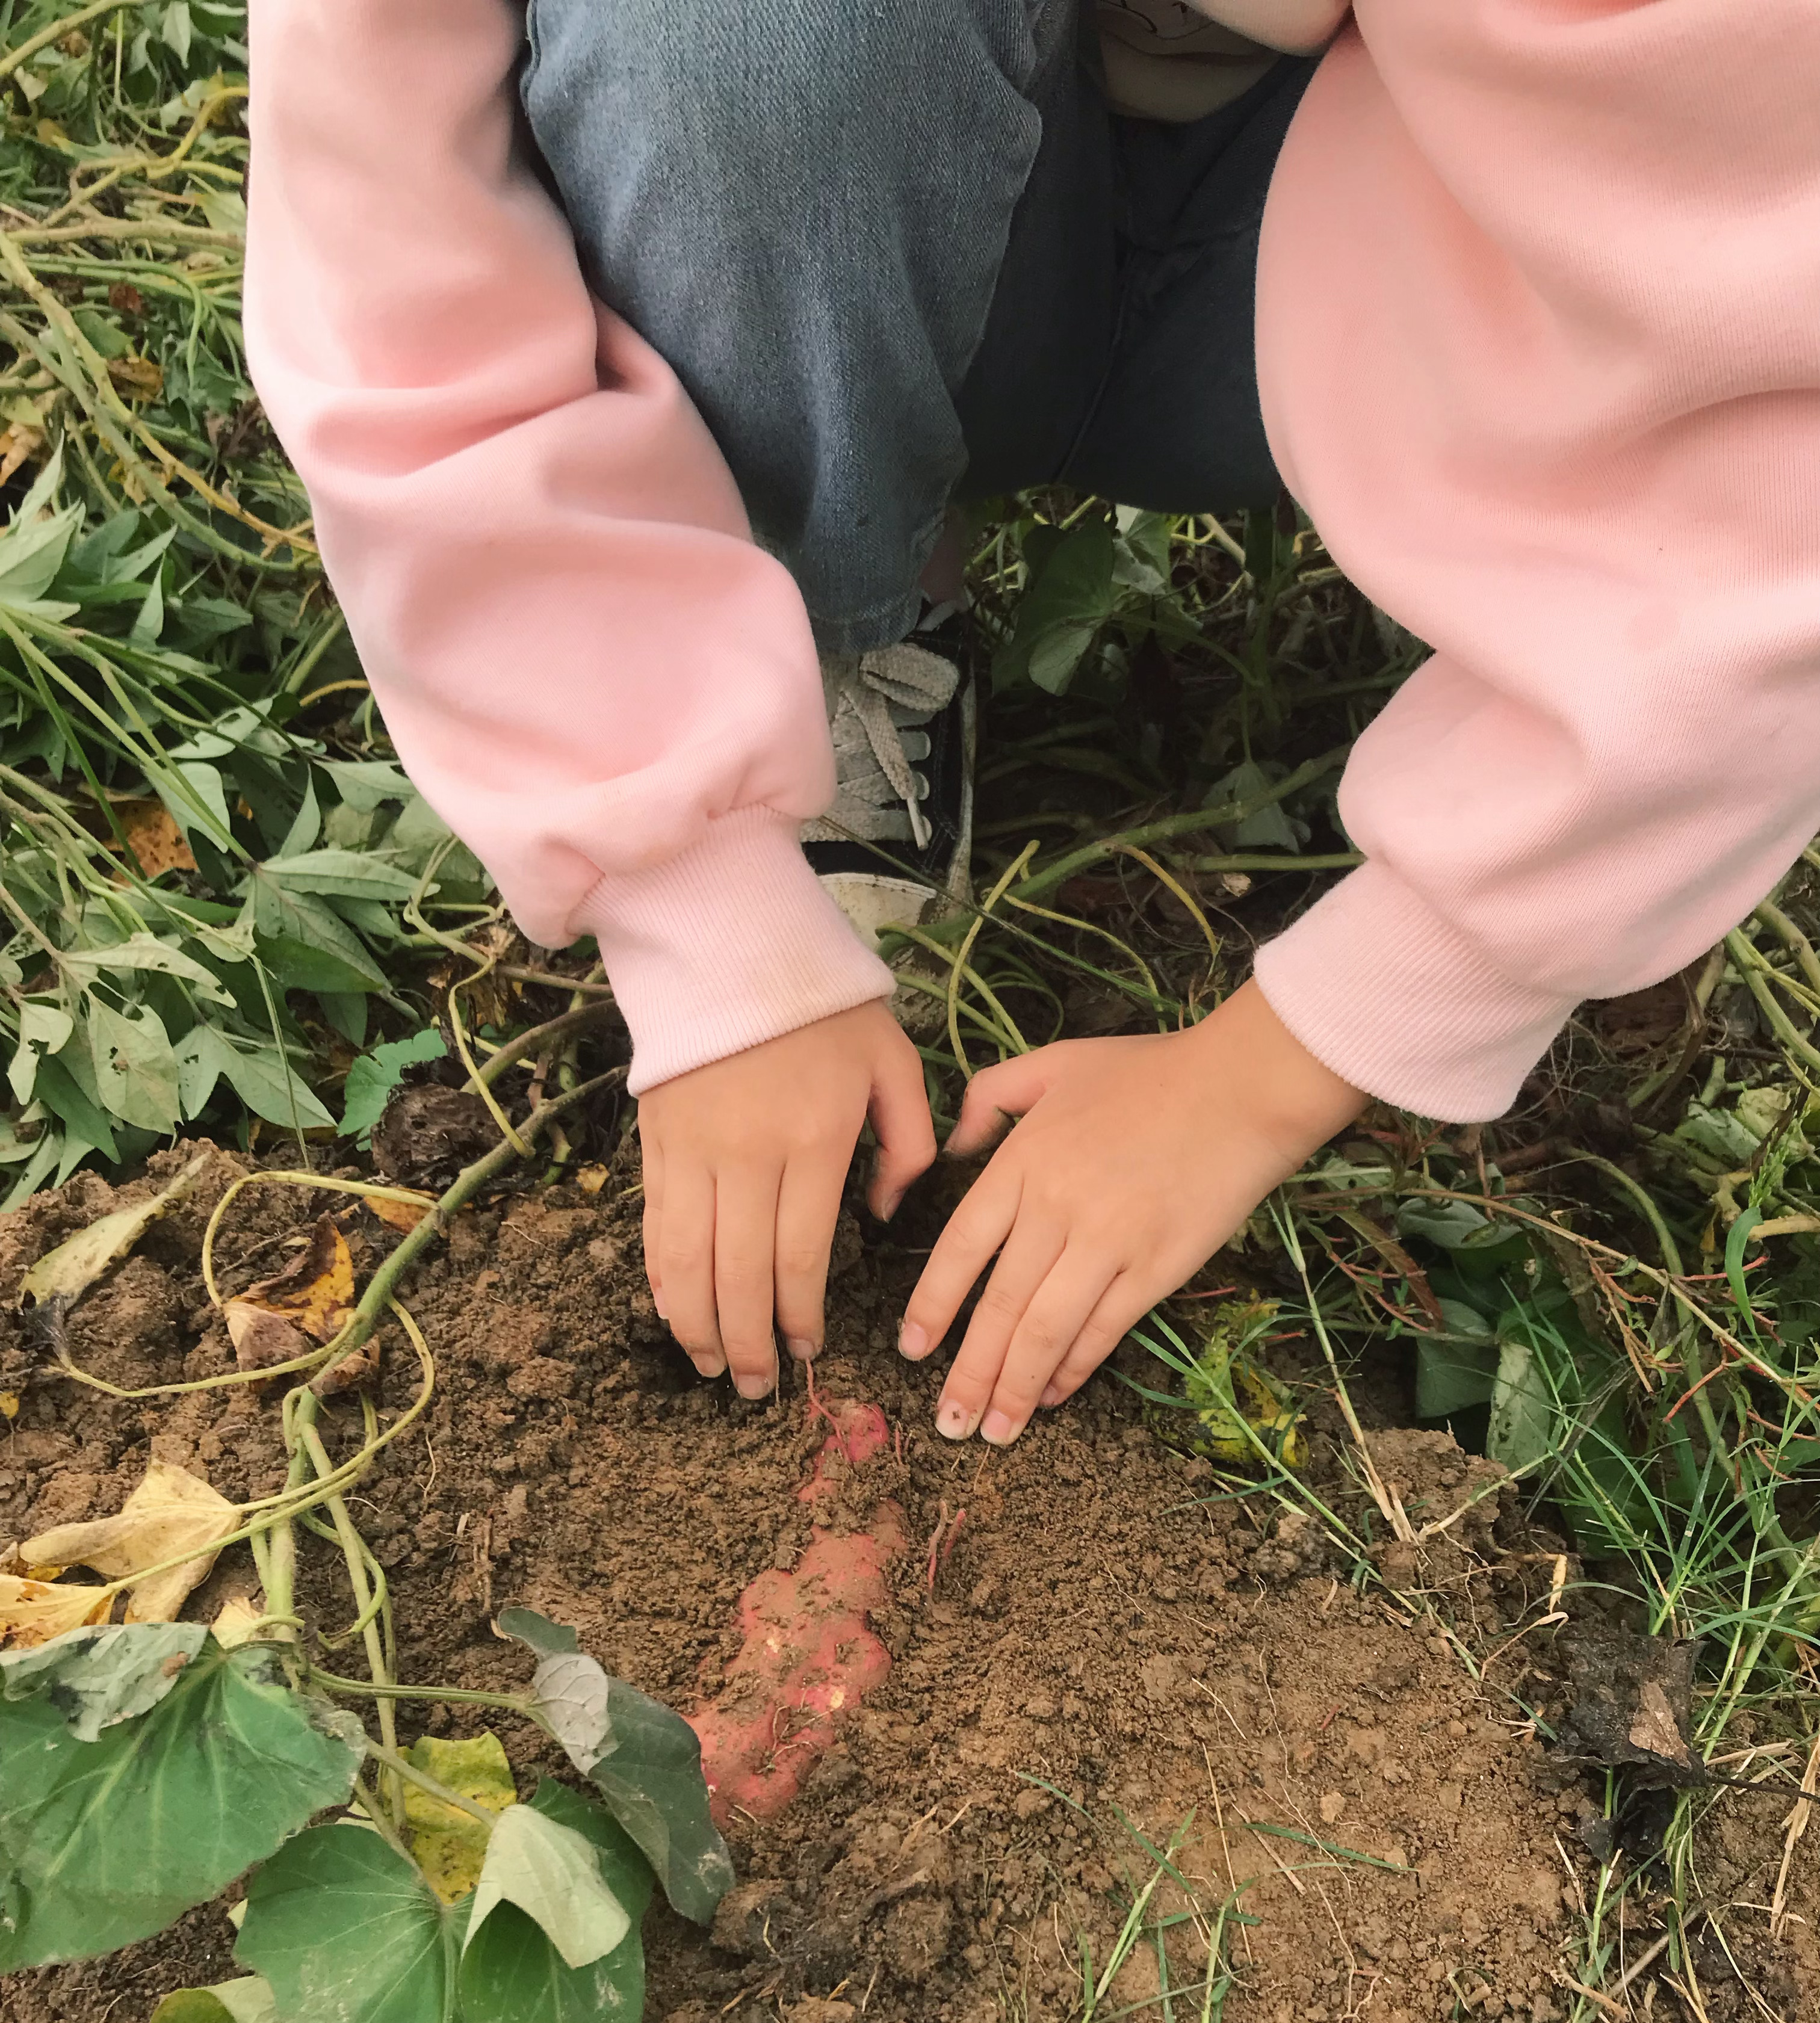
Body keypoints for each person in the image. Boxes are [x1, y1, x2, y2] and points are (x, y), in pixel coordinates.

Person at [244, 0, 1820, 1448]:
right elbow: (391, 240)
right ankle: (825, 623)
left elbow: (1787, 463)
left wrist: (1290, 1059)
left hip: (1371, 239)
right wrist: (691, 892)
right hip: (843, 185)